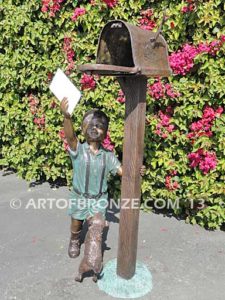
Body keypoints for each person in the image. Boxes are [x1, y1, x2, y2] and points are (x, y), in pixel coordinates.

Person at [60, 97, 145, 259]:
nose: (94, 129)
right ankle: (74, 239)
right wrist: (67, 117)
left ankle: (93, 246)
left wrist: (135, 170)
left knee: (96, 226)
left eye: (99, 126)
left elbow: (123, 171)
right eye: (90, 125)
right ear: (83, 129)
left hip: (98, 200)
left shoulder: (108, 156)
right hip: (79, 196)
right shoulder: (78, 150)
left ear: (105, 132)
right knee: (76, 222)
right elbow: (70, 137)